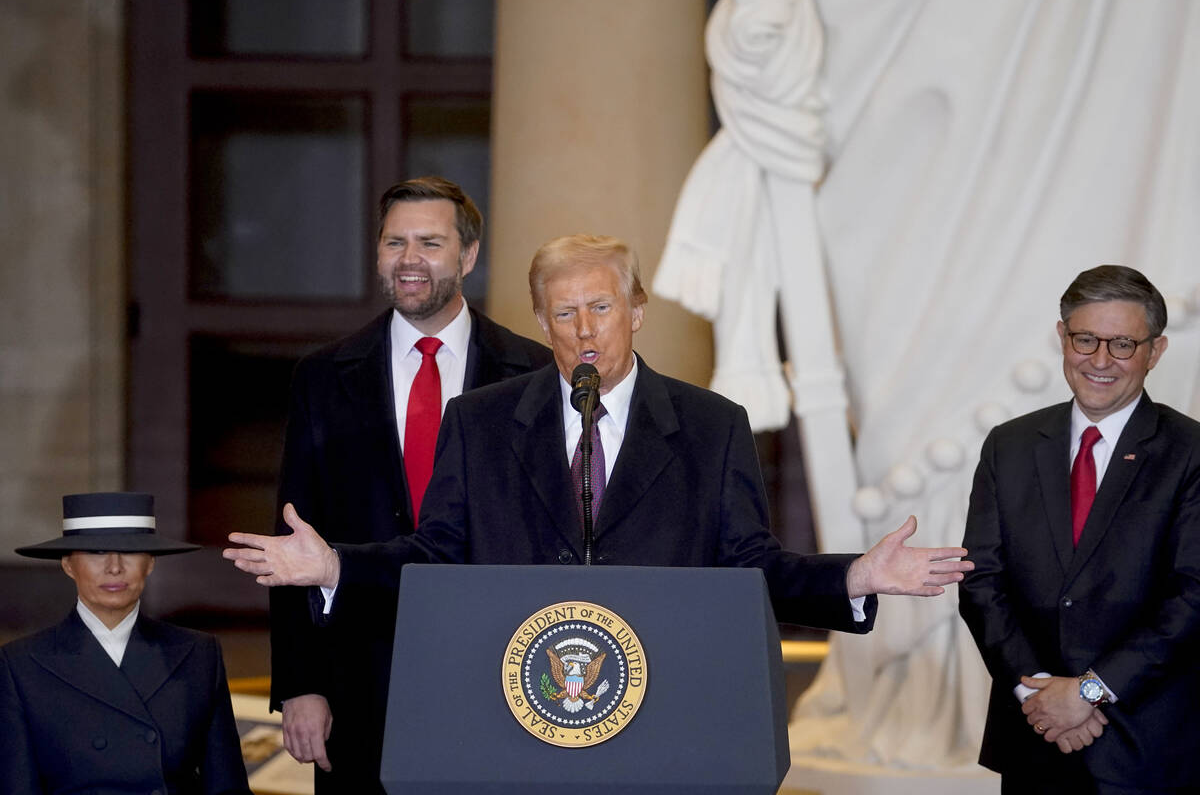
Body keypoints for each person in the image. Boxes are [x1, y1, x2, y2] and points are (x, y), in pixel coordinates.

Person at [229, 233, 970, 625]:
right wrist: (335, 569)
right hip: (515, 699)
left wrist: (852, 577)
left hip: (661, 698)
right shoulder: (481, 423)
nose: (584, 330)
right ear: (541, 322)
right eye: (563, 313)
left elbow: (751, 566)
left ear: (637, 310)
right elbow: (437, 554)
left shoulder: (712, 427)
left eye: (602, 308)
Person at [268, 176, 553, 793]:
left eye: (429, 241)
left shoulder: (532, 373)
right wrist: (301, 682)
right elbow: (293, 535)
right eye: (394, 242)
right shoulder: (322, 377)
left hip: (501, 668)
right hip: (358, 674)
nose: (409, 260)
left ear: (468, 256)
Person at [958, 265, 1200, 793]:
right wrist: (1042, 696)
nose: (1099, 360)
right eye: (1085, 339)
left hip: (1148, 749)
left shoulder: (1190, 453)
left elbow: (1193, 597)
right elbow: (981, 583)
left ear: (1155, 352)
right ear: (1062, 337)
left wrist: (1090, 692)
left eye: (1122, 344)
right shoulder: (1009, 445)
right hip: (1035, 740)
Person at [0, 492, 249, 795]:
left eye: (130, 552)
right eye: (97, 552)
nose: (114, 567)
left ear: (150, 563)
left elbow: (226, 785)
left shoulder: (198, 653)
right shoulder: (20, 665)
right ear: (68, 565)